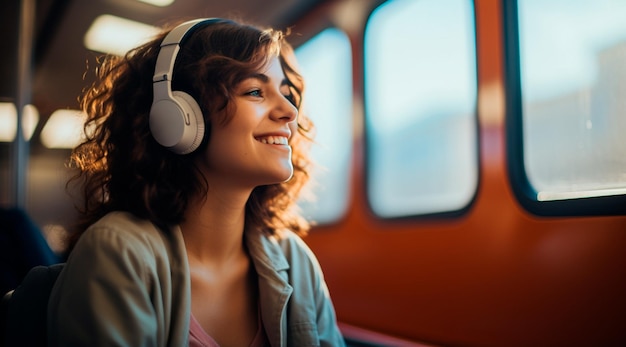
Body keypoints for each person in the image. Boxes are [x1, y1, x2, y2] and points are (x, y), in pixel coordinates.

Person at [47, 17, 345, 347]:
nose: (289, 112)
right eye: (255, 91)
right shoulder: (118, 250)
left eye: (287, 94)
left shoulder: (296, 259)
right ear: (178, 116)